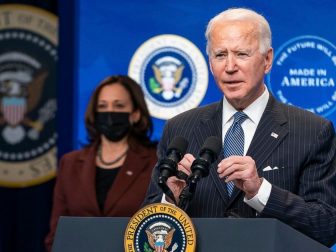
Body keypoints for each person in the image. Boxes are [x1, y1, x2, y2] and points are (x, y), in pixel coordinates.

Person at [143, 8, 336, 247]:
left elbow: (326, 225)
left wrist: (260, 191)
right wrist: (170, 201)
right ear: (210, 63)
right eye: (220, 55)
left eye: (242, 54)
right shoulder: (180, 128)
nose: (230, 66)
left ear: (267, 60)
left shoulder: (312, 131)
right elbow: (147, 227)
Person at [45, 75, 157, 250]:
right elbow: (56, 235)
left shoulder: (155, 162)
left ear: (135, 114)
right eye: (103, 106)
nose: (110, 112)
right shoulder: (70, 163)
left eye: (119, 106)